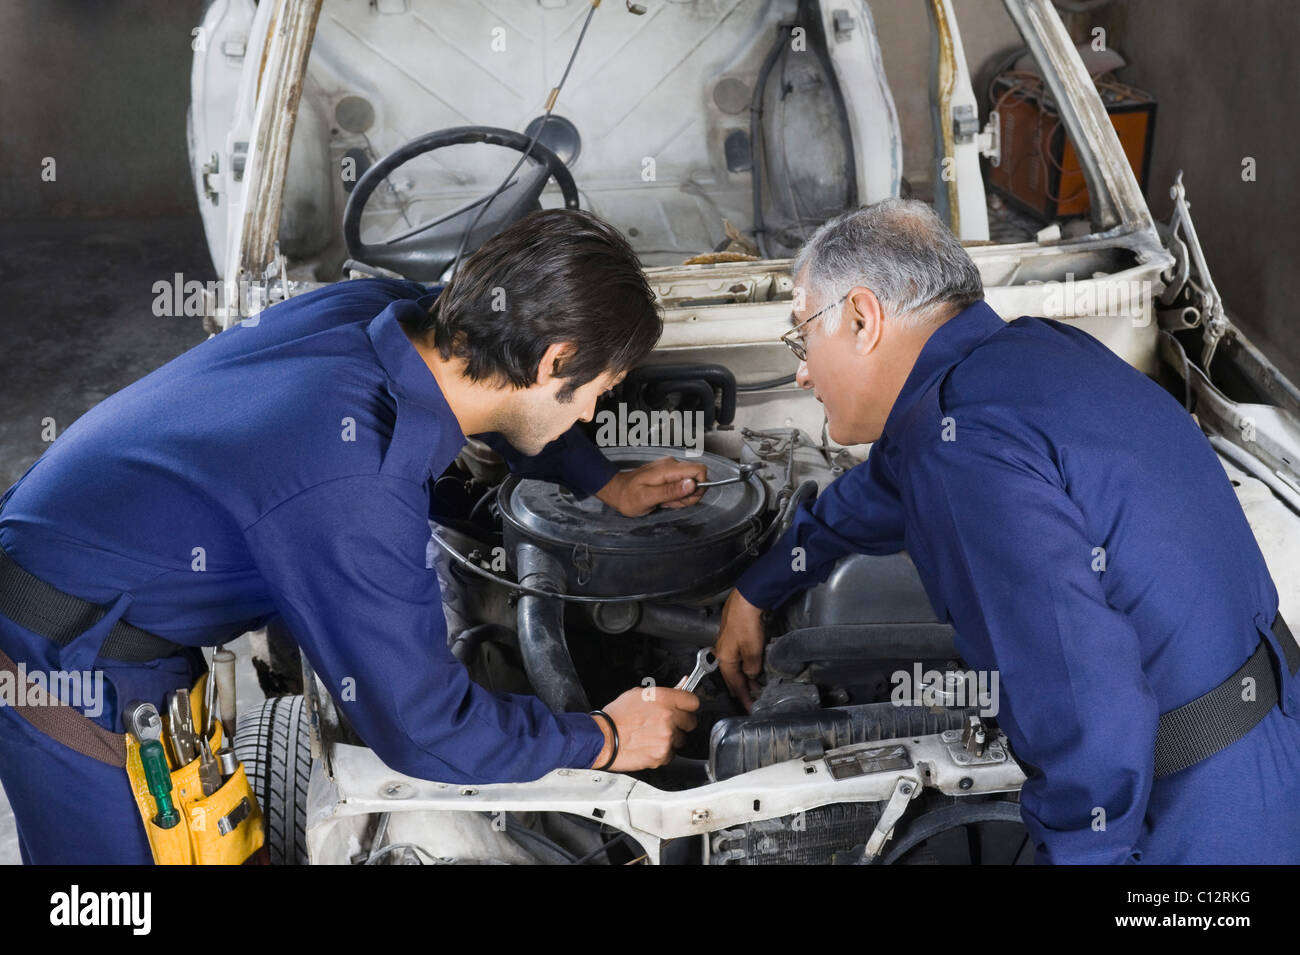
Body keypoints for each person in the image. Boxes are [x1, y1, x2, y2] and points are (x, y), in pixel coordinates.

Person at [0, 208, 703, 863]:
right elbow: (425, 728)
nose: (589, 413)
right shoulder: (354, 475)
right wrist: (607, 736)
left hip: (90, 572)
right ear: (555, 361)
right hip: (65, 651)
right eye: (596, 391)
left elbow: (509, 381)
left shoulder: (385, 310)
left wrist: (602, 483)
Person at [713, 198, 1300, 864]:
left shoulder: (959, 451)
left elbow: (1086, 713)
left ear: (860, 318)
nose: (801, 372)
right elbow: (875, 494)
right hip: (1269, 741)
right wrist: (758, 588)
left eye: (801, 335)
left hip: (1199, 821)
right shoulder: (1026, 360)